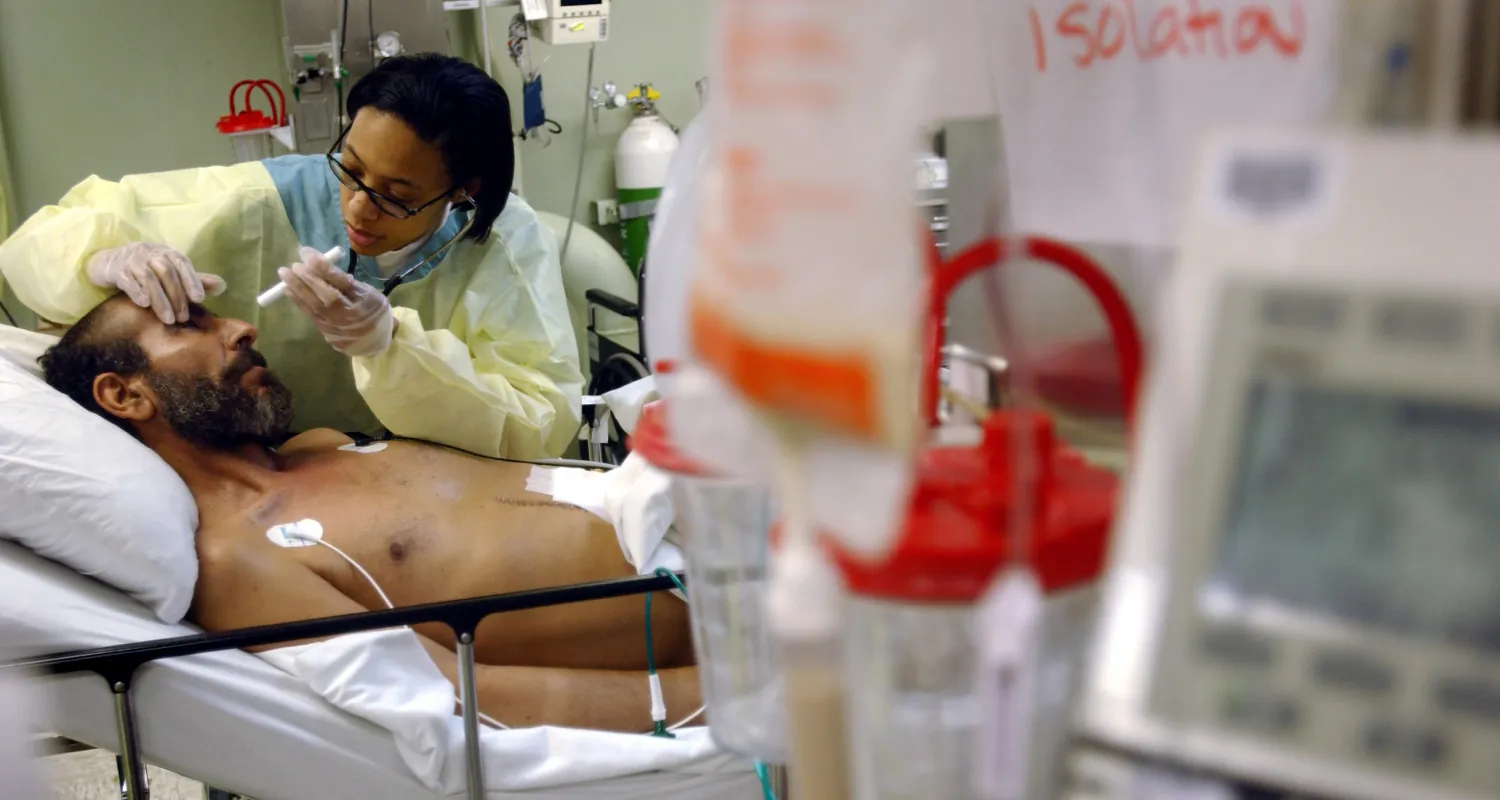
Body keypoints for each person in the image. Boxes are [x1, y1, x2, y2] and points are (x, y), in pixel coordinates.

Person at [38, 294, 693, 733]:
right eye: (190, 327)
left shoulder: (317, 447)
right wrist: (706, 698)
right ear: (124, 394)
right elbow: (458, 693)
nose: (241, 328)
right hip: (730, 614)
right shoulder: (239, 558)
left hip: (711, 512)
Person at [1, 54, 582, 460]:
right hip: (284, 466)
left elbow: (539, 423)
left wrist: (394, 349)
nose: (356, 208)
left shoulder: (501, 243)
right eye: (349, 169)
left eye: (395, 196)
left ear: (462, 191)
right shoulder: (256, 201)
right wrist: (101, 258)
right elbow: (36, 246)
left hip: (419, 471)